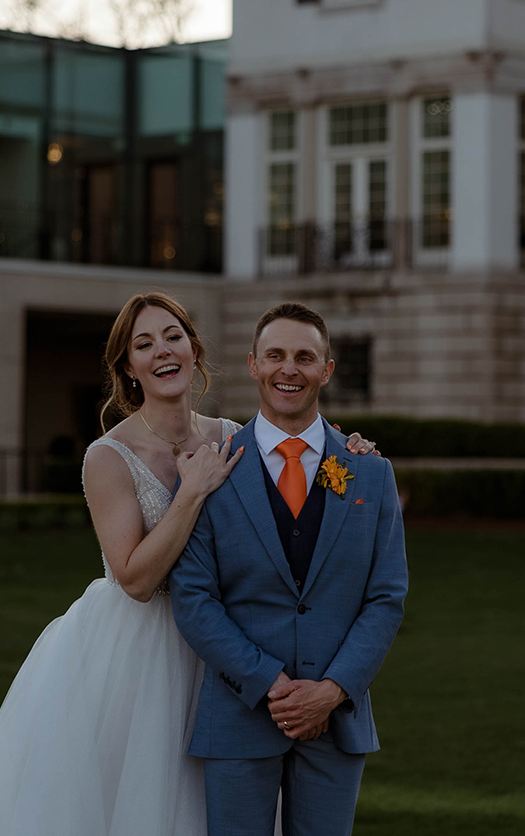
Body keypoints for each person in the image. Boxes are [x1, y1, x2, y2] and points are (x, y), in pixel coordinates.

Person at [0, 292, 377, 836]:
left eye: (172, 337)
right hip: (139, 653)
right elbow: (136, 579)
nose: (162, 352)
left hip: (229, 648)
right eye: (144, 344)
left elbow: (296, 470)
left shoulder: (233, 438)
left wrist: (348, 451)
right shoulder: (107, 457)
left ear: (193, 349)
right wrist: (191, 491)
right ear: (128, 365)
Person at [171, 301, 408, 836]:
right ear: (254, 364)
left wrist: (332, 689)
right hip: (239, 714)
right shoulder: (212, 471)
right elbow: (194, 597)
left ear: (326, 370)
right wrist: (270, 683)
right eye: (275, 355)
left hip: (336, 719)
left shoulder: (369, 472)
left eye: (305, 357)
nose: (289, 369)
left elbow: (386, 596)